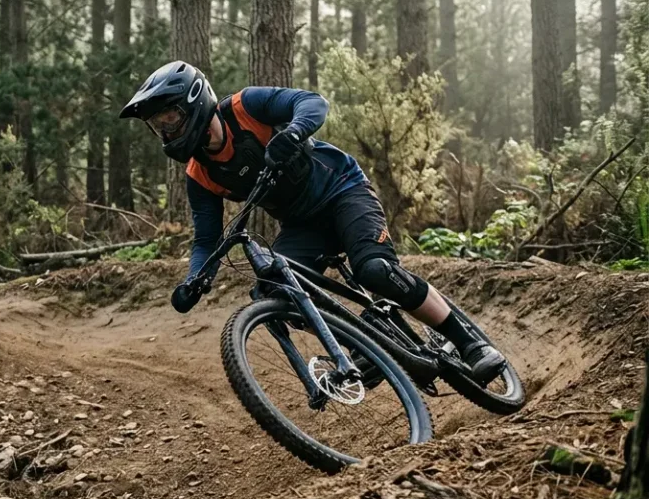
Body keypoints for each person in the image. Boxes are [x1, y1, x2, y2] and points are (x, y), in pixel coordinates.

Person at [118, 60, 506, 383]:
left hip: (343, 191)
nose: (165, 130)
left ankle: (471, 344)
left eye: (170, 117)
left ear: (194, 102)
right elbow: (206, 238)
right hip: (303, 226)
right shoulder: (198, 174)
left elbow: (312, 103)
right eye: (158, 125)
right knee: (273, 296)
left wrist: (293, 132)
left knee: (374, 270)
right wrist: (194, 279)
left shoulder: (245, 107)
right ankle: (367, 342)